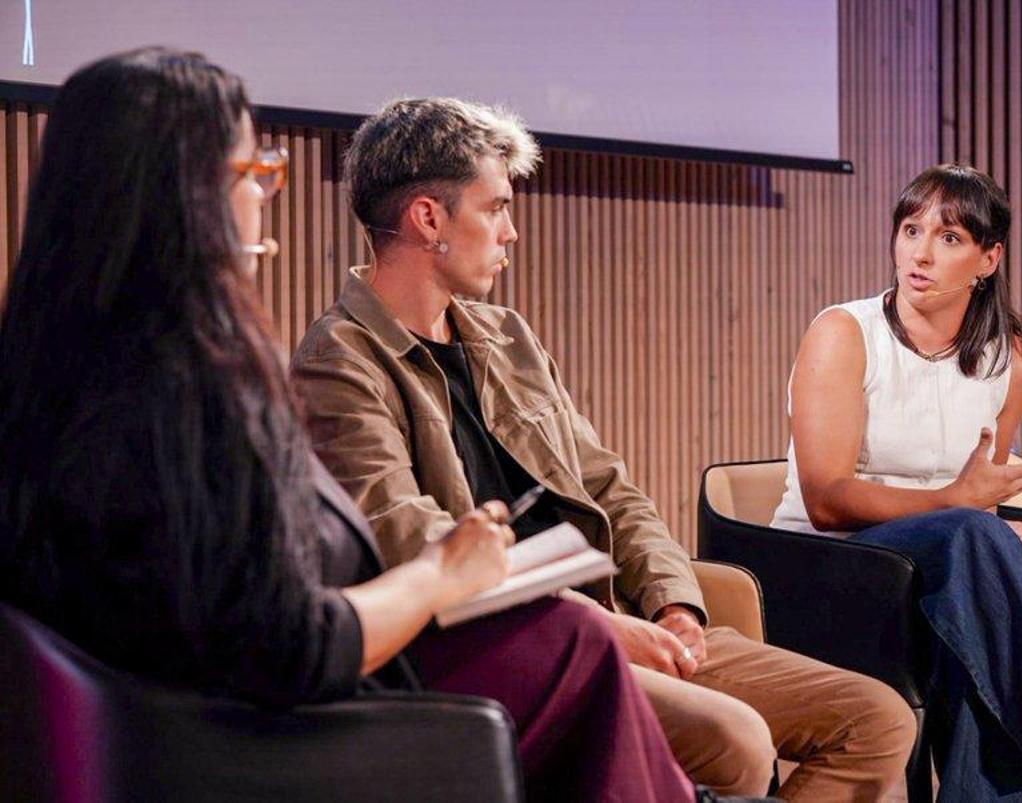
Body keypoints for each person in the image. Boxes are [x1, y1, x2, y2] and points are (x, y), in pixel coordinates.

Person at [0, 48, 704, 803]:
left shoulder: (54, 365)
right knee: (581, 644)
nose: (264, 198)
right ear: (183, 197)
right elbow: (291, 641)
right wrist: (445, 571)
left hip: (177, 732)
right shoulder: (186, 386)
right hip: (254, 747)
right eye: (253, 173)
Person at [291, 96, 916, 801]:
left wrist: (674, 602)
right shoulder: (340, 357)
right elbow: (404, 535)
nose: (512, 232)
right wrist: (599, 623)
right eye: (495, 208)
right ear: (428, 218)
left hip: (615, 611)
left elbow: (612, 487)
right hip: (516, 642)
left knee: (878, 719)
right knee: (737, 739)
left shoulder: (507, 336)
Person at [770, 163, 1022, 801]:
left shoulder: (1011, 359)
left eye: (949, 238)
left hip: (940, 563)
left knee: (980, 657)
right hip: (823, 563)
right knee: (969, 538)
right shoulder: (845, 334)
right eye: (911, 230)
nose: (921, 253)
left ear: (989, 260)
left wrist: (992, 532)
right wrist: (962, 513)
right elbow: (826, 501)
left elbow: (976, 489)